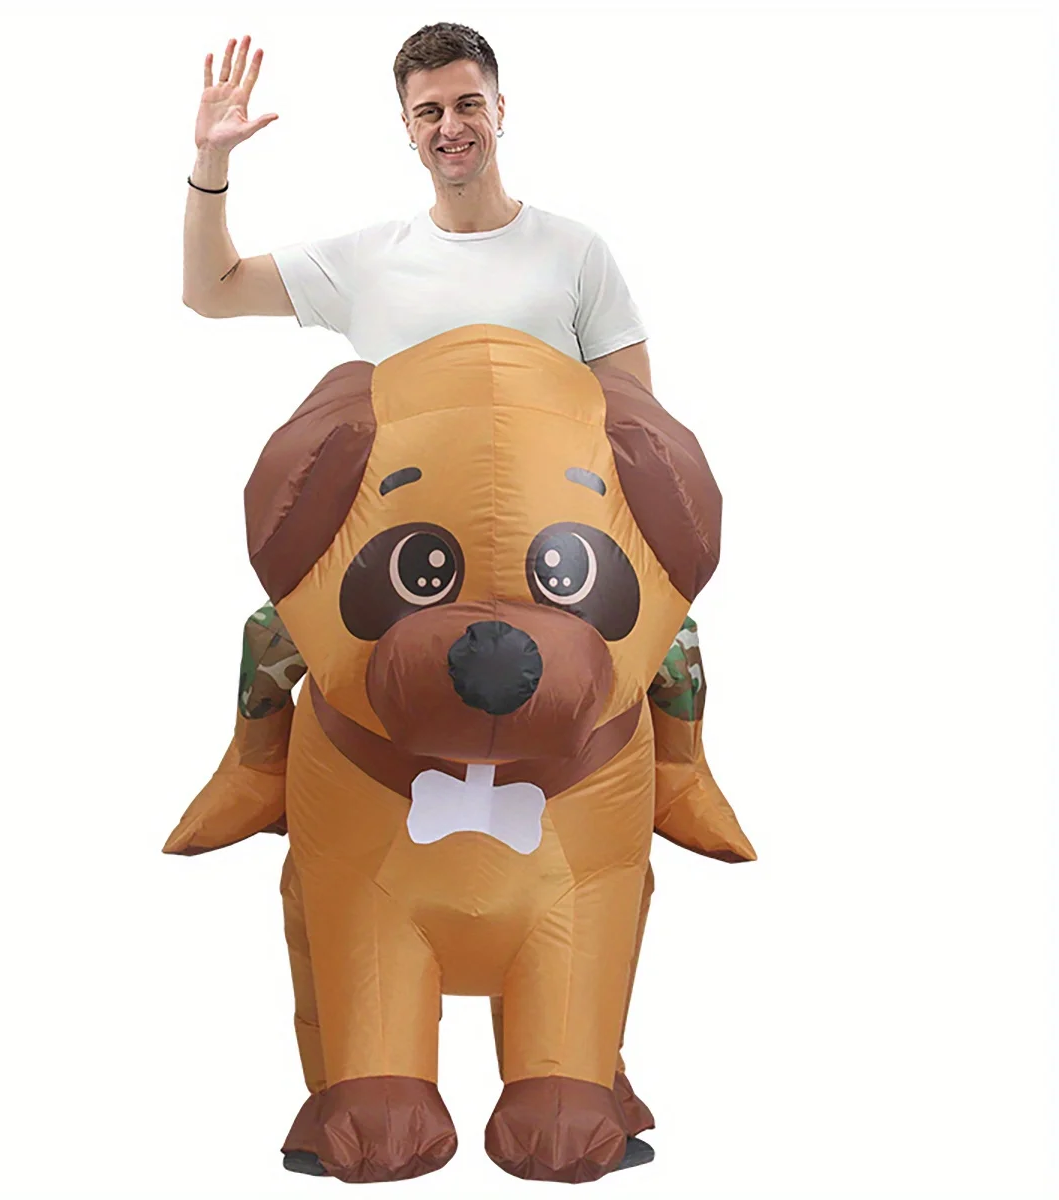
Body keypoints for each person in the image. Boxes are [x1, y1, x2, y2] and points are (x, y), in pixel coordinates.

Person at [177, 21, 720, 1152]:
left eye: (467, 104)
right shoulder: (371, 257)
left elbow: (633, 417)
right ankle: (254, 765)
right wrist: (212, 165)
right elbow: (212, 290)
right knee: (272, 631)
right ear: (407, 128)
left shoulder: (575, 253)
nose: (451, 127)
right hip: (408, 572)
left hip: (554, 567)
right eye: (429, 112)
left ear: (500, 109)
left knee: (674, 646)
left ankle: (685, 776)